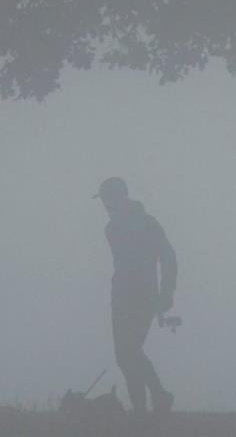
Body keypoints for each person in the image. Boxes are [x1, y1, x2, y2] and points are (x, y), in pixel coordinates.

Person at [94, 177, 177, 417]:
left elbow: (168, 255)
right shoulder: (110, 229)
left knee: (129, 350)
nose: (106, 207)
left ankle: (154, 401)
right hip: (120, 296)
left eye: (109, 201)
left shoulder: (147, 223)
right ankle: (149, 404)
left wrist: (167, 290)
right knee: (125, 354)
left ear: (121, 198)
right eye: (104, 202)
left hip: (143, 296)